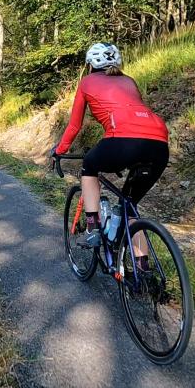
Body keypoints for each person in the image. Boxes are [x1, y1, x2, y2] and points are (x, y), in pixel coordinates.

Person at [51, 42, 169, 272]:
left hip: (123, 139)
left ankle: (93, 226)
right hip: (159, 143)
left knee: (89, 166)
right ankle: (143, 269)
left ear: (90, 64)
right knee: (129, 205)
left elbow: (75, 125)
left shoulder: (87, 82)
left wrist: (60, 150)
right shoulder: (129, 81)